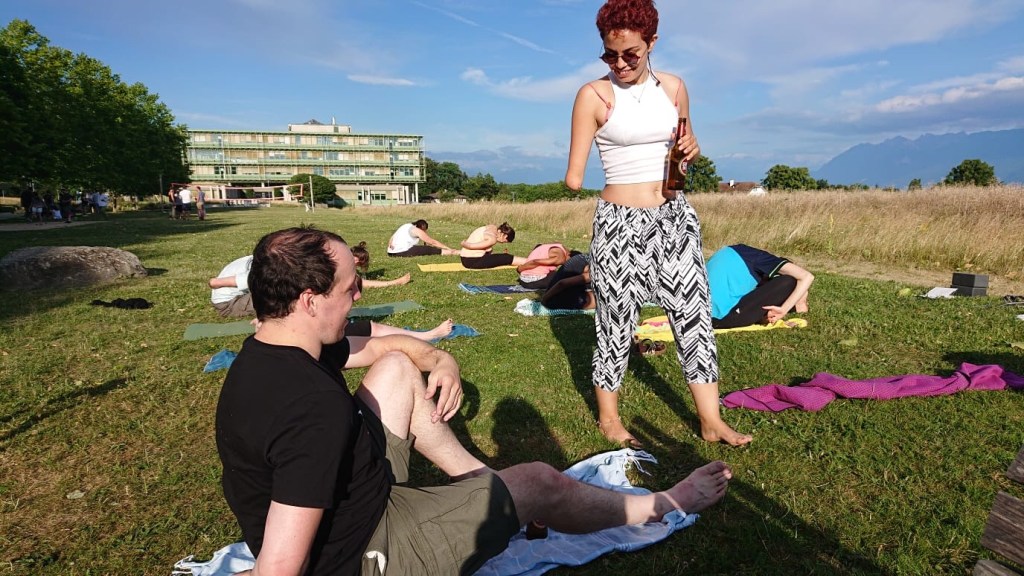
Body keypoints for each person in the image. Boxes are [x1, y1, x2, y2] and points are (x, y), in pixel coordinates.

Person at [215, 226, 733, 575]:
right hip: (372, 552)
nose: (359, 296)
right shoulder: (312, 411)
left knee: (396, 368)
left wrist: (440, 358)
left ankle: (485, 487)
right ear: (310, 300)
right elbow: (281, 568)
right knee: (541, 481)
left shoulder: (269, 355)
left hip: (357, 499)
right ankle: (665, 504)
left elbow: (381, 347)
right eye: (351, 288)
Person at [564, 0, 750, 447]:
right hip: (619, 224)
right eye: (610, 55)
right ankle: (609, 419)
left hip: (675, 217)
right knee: (616, 322)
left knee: (694, 316)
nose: (620, 64)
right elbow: (574, 178)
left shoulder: (675, 88)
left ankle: (711, 420)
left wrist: (690, 150)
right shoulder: (593, 95)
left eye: (631, 53)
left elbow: (683, 154)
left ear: (652, 43)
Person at [706, 244, 814, 329]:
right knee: (790, 281)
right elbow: (807, 276)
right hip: (720, 318)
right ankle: (797, 306)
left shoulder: (731, 252)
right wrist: (784, 309)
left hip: (701, 314)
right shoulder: (761, 259)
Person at [459, 222, 528, 270]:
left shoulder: (492, 227)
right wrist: (464, 243)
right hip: (472, 261)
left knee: (493, 254)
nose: (502, 243)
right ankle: (528, 262)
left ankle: (528, 261)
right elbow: (471, 246)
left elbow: (481, 244)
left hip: (466, 259)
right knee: (505, 257)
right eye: (504, 241)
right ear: (504, 236)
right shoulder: (492, 239)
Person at [387, 219, 459, 257]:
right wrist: (447, 248)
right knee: (429, 249)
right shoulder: (417, 230)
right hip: (401, 252)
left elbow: (393, 237)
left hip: (391, 252)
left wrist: (390, 245)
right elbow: (432, 242)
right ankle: (455, 252)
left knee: (421, 248)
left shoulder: (406, 225)